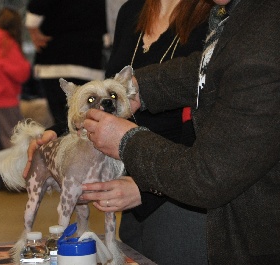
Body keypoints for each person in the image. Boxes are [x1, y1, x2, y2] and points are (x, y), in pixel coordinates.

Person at [80, 0, 280, 264]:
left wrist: (127, 141)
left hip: (246, 232)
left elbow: (209, 176)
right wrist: (141, 88)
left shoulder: (265, 41)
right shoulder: (243, 11)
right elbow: (210, 65)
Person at [23, 0, 214, 263]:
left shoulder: (215, 12)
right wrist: (59, 132)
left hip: (181, 199)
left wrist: (149, 186)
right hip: (126, 191)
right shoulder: (131, 11)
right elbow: (107, 97)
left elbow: (210, 123)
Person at [24, 0, 107, 124]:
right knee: (89, 122)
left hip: (56, 60)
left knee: (63, 124)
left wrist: (32, 28)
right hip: (90, 60)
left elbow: (37, 6)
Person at [0, 7, 31, 150]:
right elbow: (21, 73)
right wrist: (27, 66)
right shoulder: (7, 44)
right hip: (6, 99)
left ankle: (2, 171)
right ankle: (16, 171)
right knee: (15, 140)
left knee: (1, 139)